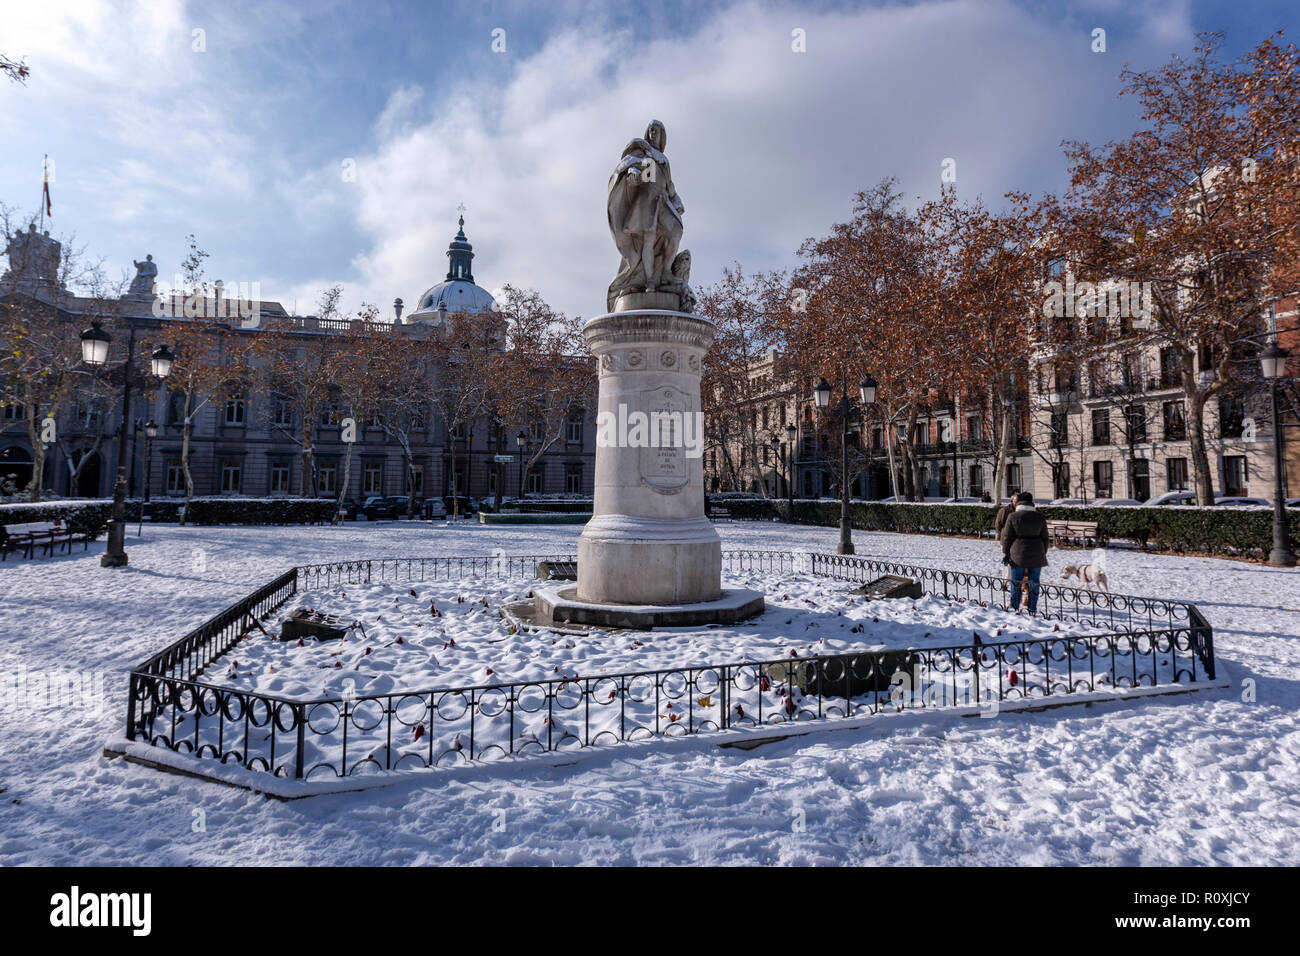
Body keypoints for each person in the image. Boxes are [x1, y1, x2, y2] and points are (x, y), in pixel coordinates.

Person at [1000, 490, 1050, 613]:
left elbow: (1007, 536)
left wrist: (1005, 552)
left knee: (1016, 581)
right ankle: (1032, 607)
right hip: (1037, 554)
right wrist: (1043, 551)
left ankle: (1015, 607)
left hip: (1018, 554)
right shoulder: (1039, 517)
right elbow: (1045, 538)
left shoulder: (1013, 517)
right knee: (1034, 582)